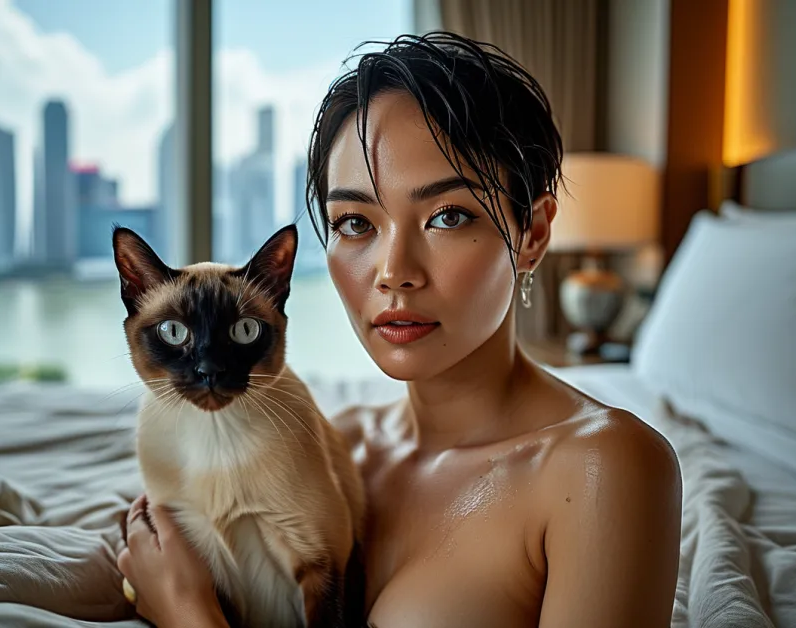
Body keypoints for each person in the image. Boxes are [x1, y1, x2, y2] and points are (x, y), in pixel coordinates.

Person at [117, 31, 682, 628]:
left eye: (448, 216)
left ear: (533, 234)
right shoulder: (339, 445)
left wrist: (188, 615)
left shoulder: (606, 469)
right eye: (355, 222)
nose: (393, 272)